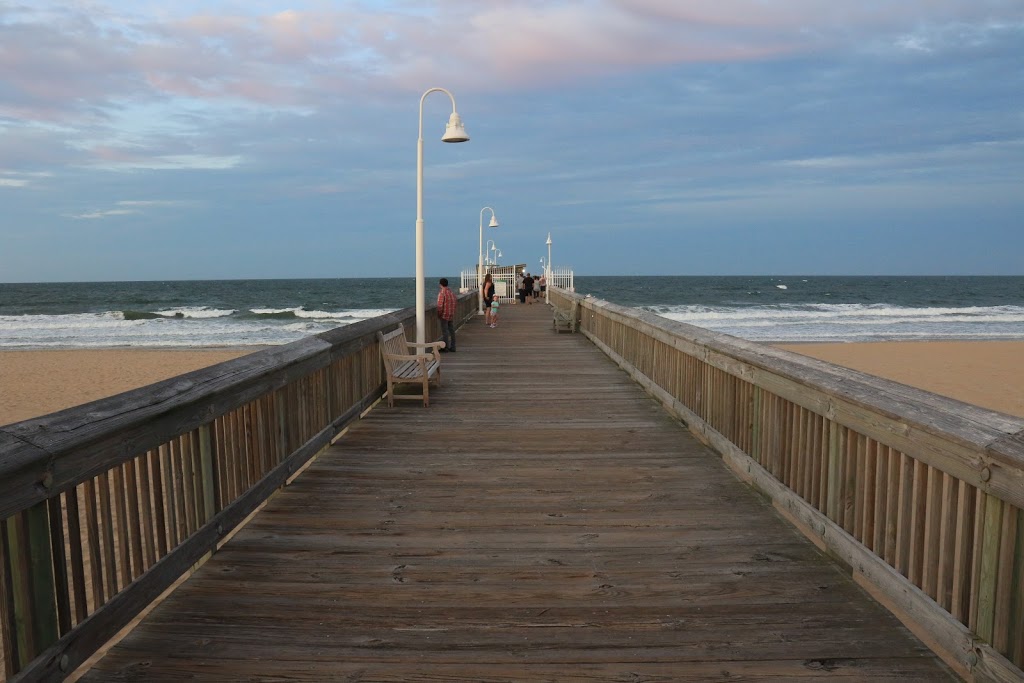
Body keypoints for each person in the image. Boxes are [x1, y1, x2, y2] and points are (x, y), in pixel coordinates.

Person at [436, 277, 456, 352]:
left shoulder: (442, 293)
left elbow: (440, 305)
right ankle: (453, 346)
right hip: (451, 314)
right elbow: (455, 303)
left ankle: (445, 347)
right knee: (451, 330)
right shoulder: (451, 292)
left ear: (440, 284)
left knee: (445, 331)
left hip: (444, 315)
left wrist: (439, 314)